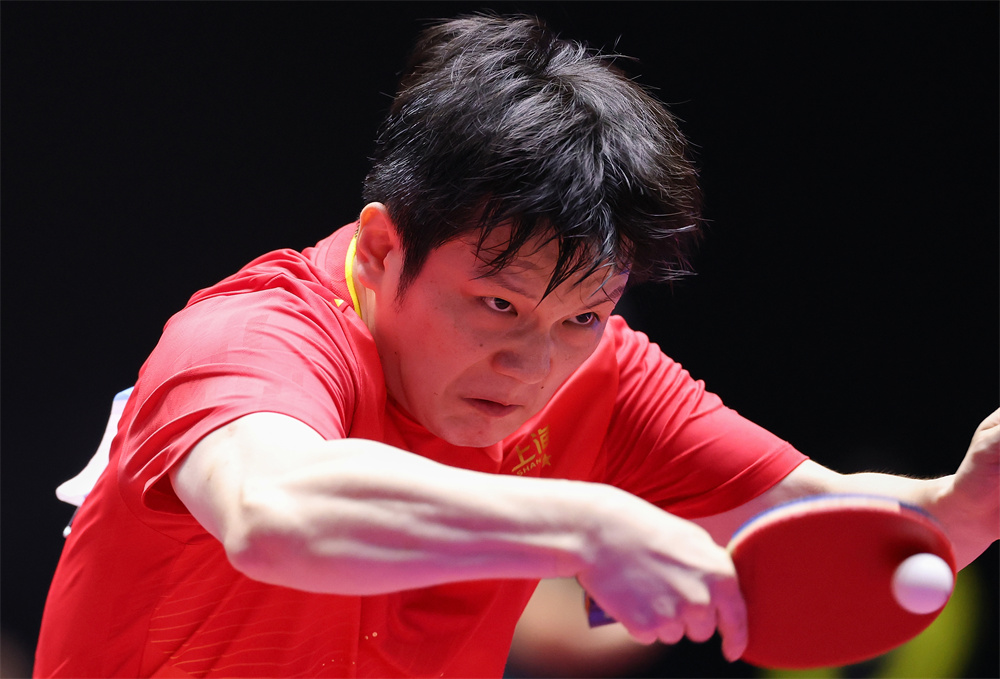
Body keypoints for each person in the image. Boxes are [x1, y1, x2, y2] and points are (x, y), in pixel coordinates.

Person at [34, 13, 998, 679]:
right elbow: (274, 512)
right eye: (498, 303)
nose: (535, 366)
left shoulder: (604, 375)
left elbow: (849, 536)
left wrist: (969, 503)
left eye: (583, 315)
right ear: (383, 248)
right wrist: (585, 523)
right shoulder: (251, 339)